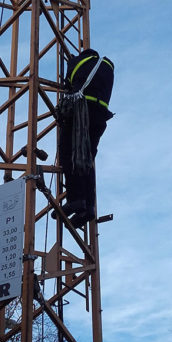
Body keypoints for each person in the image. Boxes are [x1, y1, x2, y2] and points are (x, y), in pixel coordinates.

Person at [57, 48, 114, 228]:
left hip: (82, 112)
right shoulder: (107, 67)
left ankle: (75, 199)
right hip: (100, 116)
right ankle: (88, 207)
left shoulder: (77, 63)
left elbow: (68, 84)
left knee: (69, 154)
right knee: (87, 159)